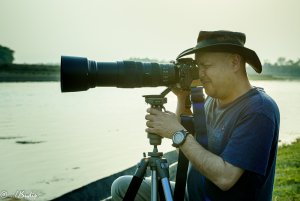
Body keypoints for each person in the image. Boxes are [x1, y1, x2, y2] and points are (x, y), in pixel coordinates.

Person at [111, 30, 280, 201]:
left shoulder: (258, 110)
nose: (200, 73)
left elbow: (225, 177)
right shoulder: (213, 99)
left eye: (206, 66)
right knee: (122, 187)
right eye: (198, 66)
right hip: (192, 195)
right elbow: (189, 148)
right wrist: (181, 97)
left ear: (234, 62)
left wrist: (177, 133)